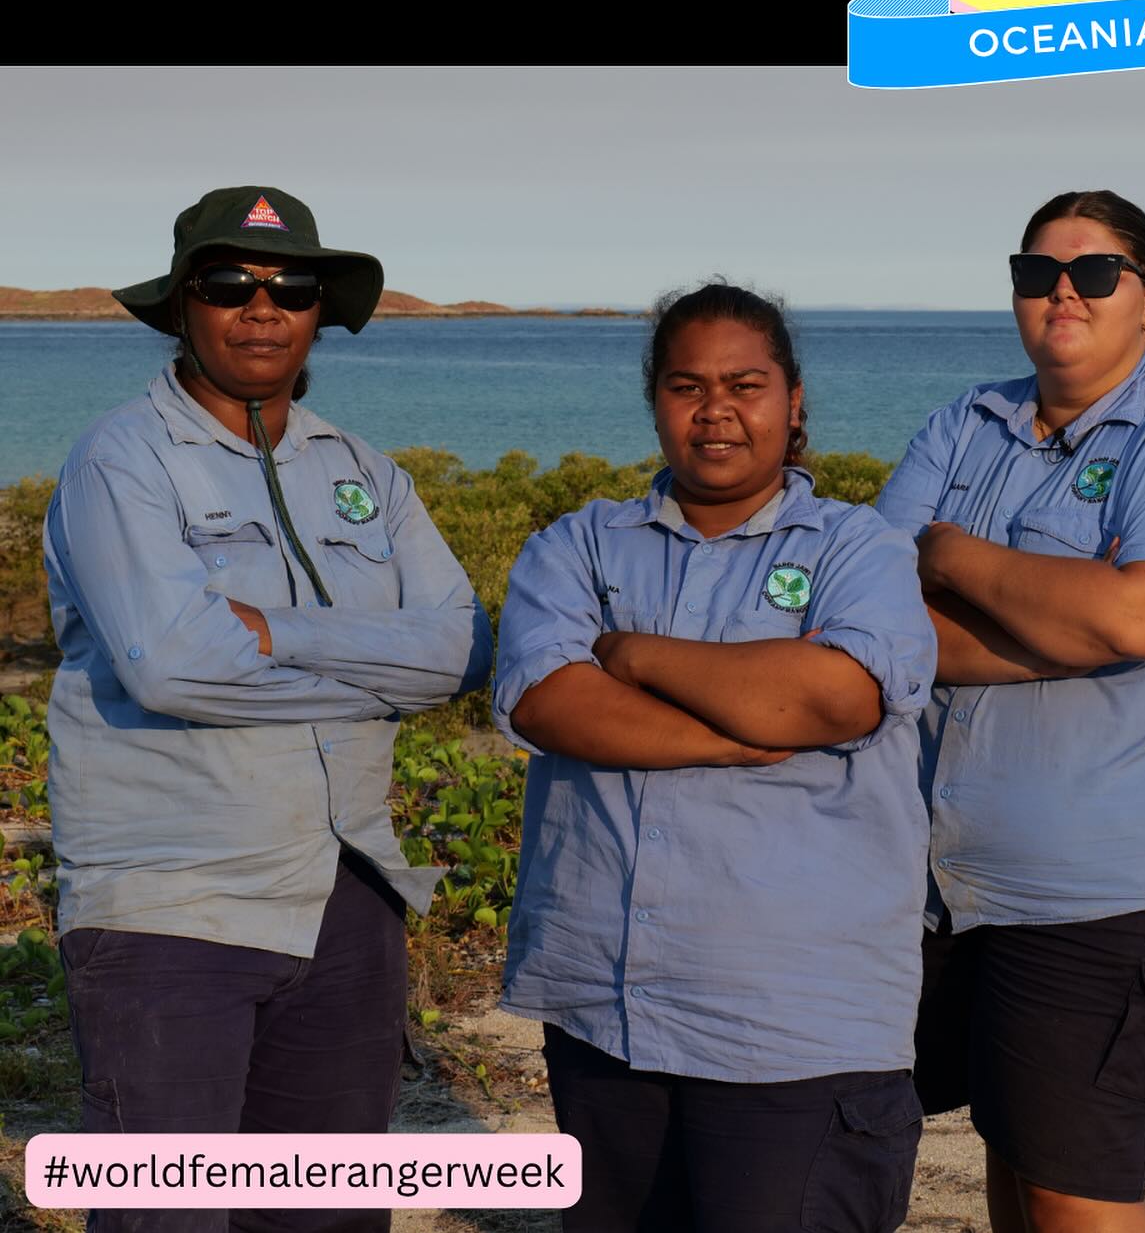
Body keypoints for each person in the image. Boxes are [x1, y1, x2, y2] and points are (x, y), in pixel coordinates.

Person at [44, 185, 493, 1233]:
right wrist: (385, 663)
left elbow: (466, 645)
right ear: (183, 306)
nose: (262, 307)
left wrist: (277, 631)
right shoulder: (121, 459)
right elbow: (173, 671)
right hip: (172, 905)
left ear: (318, 310)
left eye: (290, 286)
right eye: (229, 284)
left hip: (346, 892)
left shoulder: (364, 474)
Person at [875, 190, 1145, 1233]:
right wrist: (1072, 620)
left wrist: (952, 554)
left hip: (1118, 887)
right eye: (1037, 272)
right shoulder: (963, 422)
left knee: (1079, 1193)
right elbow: (872, 623)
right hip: (955, 884)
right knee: (1018, 1164)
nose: (1061, 291)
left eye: (1095, 271)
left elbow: (1141, 617)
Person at [492, 282, 938, 1233]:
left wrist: (637, 653)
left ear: (795, 400)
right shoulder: (578, 544)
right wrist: (740, 726)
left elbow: (835, 693)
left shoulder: (860, 550)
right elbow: (548, 699)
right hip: (604, 1010)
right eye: (688, 385)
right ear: (655, 399)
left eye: (746, 383)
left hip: (794, 1028)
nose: (717, 409)